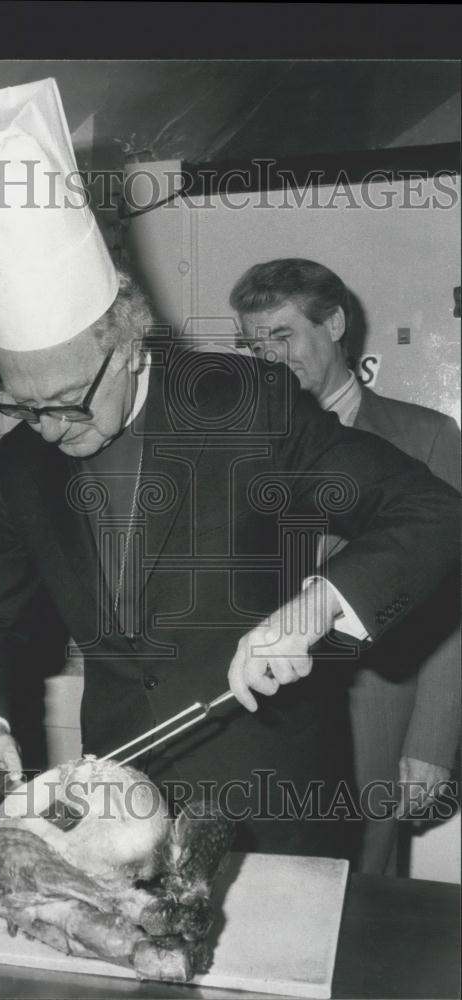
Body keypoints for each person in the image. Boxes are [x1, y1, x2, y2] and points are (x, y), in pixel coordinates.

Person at [0, 78, 459, 856]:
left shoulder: (245, 404)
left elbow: (432, 514)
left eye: (68, 400)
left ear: (129, 346)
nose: (52, 429)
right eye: (28, 407)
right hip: (122, 809)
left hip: (271, 799)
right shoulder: (28, 461)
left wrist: (318, 605)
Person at [229, 258, 461, 873]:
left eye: (281, 336)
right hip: (264, 714)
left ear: (333, 323)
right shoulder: (244, 443)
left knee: (360, 904)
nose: (268, 359)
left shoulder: (428, 435)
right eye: (254, 345)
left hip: (373, 716)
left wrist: (432, 744)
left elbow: (456, 606)